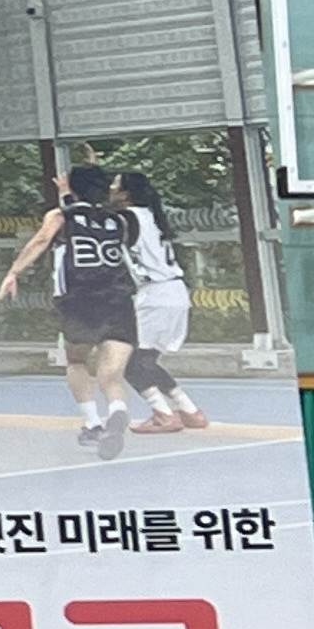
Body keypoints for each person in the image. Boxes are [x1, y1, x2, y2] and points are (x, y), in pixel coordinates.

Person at [0, 161, 141, 458]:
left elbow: (42, 240)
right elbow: (92, 218)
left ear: (73, 187)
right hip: (118, 299)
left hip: (79, 299)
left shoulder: (60, 216)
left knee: (76, 360)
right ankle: (117, 410)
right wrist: (72, 193)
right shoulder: (121, 220)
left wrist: (14, 272)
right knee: (111, 373)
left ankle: (93, 423)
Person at [116, 169, 211, 432]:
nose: (110, 189)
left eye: (114, 185)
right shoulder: (153, 216)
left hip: (155, 294)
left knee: (129, 361)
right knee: (145, 360)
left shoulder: (126, 218)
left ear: (125, 194)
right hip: (174, 291)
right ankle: (189, 410)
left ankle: (163, 413)